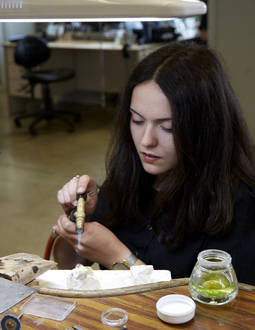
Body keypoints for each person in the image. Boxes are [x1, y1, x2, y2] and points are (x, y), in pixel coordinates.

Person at [53, 42, 255, 285]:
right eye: (137, 120)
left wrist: (119, 258)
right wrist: (76, 222)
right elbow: (66, 267)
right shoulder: (130, 175)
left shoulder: (239, 203)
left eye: (168, 127)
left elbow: (218, 315)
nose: (146, 141)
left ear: (204, 127)